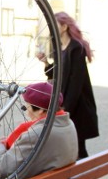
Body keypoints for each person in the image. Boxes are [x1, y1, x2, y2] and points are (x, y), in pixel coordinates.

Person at [38, 12, 98, 158]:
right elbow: (56, 77)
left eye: (55, 23)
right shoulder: (59, 48)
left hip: (77, 108)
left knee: (78, 148)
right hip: (67, 106)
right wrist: (46, 62)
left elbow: (76, 84)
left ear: (64, 26)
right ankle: (81, 177)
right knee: (71, 148)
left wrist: (65, 110)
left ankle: (85, 177)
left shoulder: (76, 48)